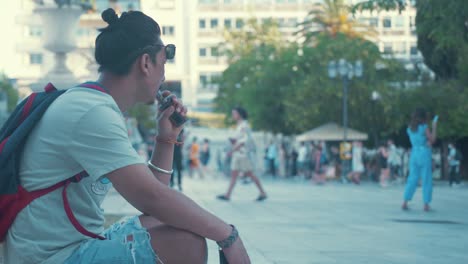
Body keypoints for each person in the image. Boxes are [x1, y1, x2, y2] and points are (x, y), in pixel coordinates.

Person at [4, 9, 250, 264]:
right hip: (50, 258)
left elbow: (153, 198)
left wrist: (166, 139)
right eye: (164, 63)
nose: (164, 75)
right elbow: (151, 198)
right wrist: (229, 236)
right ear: (146, 63)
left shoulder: (92, 104)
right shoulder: (92, 112)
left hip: (70, 246)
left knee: (175, 218)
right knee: (185, 243)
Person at [217, 107, 267, 201]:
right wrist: (233, 142)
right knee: (234, 174)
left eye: (234, 113)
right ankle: (227, 195)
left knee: (250, 173)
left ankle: (262, 192)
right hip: (238, 155)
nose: (233, 116)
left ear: (239, 114)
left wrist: (231, 151)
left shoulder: (244, 125)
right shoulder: (240, 125)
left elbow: (243, 141)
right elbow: (239, 139)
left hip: (242, 155)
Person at [402, 108, 438, 212]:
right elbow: (433, 140)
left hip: (414, 154)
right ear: (423, 117)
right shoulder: (424, 127)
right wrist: (434, 126)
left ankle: (405, 201)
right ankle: (426, 204)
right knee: (426, 178)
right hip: (424, 153)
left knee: (412, 178)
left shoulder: (409, 128)